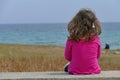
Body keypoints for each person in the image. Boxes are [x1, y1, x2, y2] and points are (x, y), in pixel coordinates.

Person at [64, 8, 102, 75]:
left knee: (68, 66)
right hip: (94, 70)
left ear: (75, 22)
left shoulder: (72, 39)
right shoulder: (96, 39)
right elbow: (97, 56)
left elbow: (67, 56)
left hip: (74, 70)